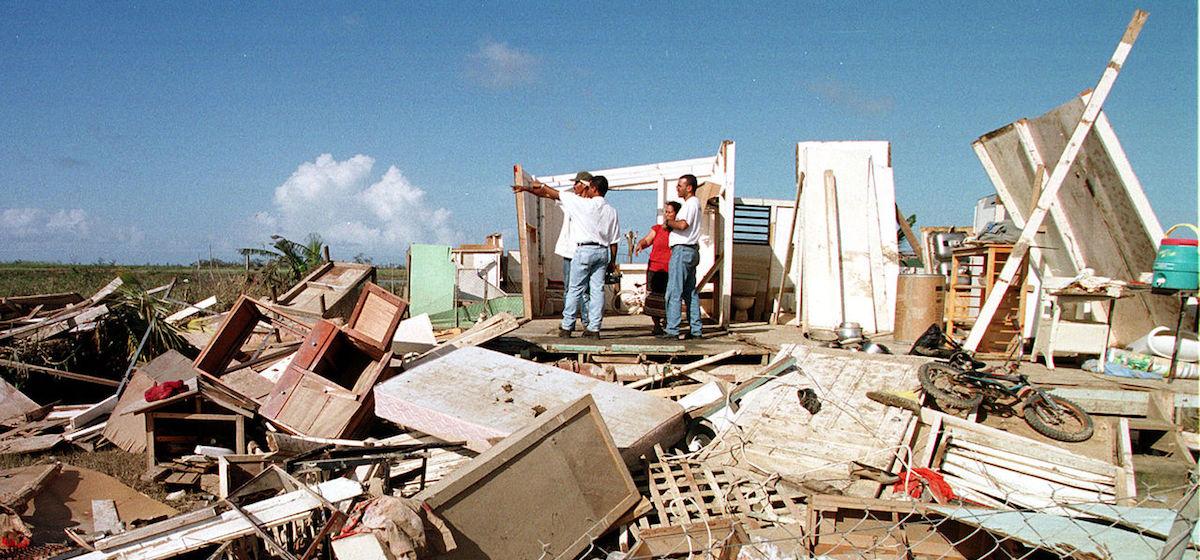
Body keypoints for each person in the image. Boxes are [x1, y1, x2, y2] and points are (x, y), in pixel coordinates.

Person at [512, 175, 619, 338]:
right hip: (603, 251)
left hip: (585, 250)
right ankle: (594, 328)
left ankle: (567, 326)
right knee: (597, 291)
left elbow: (551, 193)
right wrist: (612, 261)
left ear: (593, 189)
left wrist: (536, 185)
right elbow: (614, 240)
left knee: (574, 289)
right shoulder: (611, 211)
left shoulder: (581, 203)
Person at [662, 174, 703, 340]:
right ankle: (696, 329)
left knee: (674, 291)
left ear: (689, 187)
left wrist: (668, 223)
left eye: (680, 186)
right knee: (690, 292)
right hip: (691, 250)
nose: (677, 188)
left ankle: (672, 329)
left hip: (682, 250)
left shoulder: (690, 204)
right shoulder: (696, 204)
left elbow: (683, 224)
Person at [634, 201, 681, 335]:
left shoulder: (679, 231)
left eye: (670, 212)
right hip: (655, 267)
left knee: (669, 297)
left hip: (670, 268)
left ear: (676, 214)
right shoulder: (657, 228)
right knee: (653, 297)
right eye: (666, 212)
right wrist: (641, 244)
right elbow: (647, 240)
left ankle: (668, 324)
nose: (666, 215)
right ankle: (656, 325)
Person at [553, 171, 593, 330]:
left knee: (586, 289)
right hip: (570, 251)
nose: (573, 186)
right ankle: (568, 322)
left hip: (585, 251)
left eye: (576, 183)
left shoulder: (594, 204)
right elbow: (552, 195)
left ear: (585, 185)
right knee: (570, 289)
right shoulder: (571, 200)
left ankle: (587, 322)